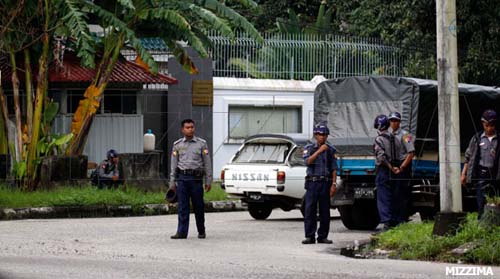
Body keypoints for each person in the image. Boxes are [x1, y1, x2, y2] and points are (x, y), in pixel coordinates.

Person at [169, 119, 212, 239]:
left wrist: (208, 181)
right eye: (187, 127)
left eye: (192, 127)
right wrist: (172, 182)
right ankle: (181, 232)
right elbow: (173, 164)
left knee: (199, 206)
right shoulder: (177, 145)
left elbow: (207, 163)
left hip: (196, 179)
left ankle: (201, 231)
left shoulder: (201, 144)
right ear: (182, 129)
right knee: (183, 207)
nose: (190, 129)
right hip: (182, 179)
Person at [301, 123, 338, 244]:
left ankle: (322, 236)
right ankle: (309, 236)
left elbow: (333, 168)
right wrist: (318, 151)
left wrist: (334, 184)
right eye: (320, 134)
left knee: (325, 210)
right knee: (310, 209)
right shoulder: (309, 148)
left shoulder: (331, 149)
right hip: (313, 182)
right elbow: (307, 162)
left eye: (325, 135)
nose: (323, 137)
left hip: (325, 182)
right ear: (316, 135)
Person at [461, 109, 500, 218]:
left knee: (495, 200)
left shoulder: (499, 139)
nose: (489, 128)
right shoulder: (477, 138)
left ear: (495, 124)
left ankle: (494, 223)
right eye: (486, 125)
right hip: (482, 173)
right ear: (483, 124)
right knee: (481, 200)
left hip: (496, 174)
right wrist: (463, 174)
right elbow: (468, 157)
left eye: (491, 125)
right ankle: (481, 223)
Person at [373, 115, 401, 231]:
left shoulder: (379, 139)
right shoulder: (395, 138)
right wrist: (395, 168)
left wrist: (389, 167)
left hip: (384, 170)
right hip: (395, 169)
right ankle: (395, 221)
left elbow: (381, 158)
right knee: (393, 196)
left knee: (383, 197)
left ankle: (386, 223)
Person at [388, 111, 415, 224]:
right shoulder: (389, 135)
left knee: (402, 193)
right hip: (393, 165)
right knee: (393, 192)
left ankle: (402, 218)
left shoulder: (405, 135)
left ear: (399, 122)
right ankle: (393, 218)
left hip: (403, 165)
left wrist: (402, 167)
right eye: (391, 121)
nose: (393, 123)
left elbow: (411, 152)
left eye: (395, 121)